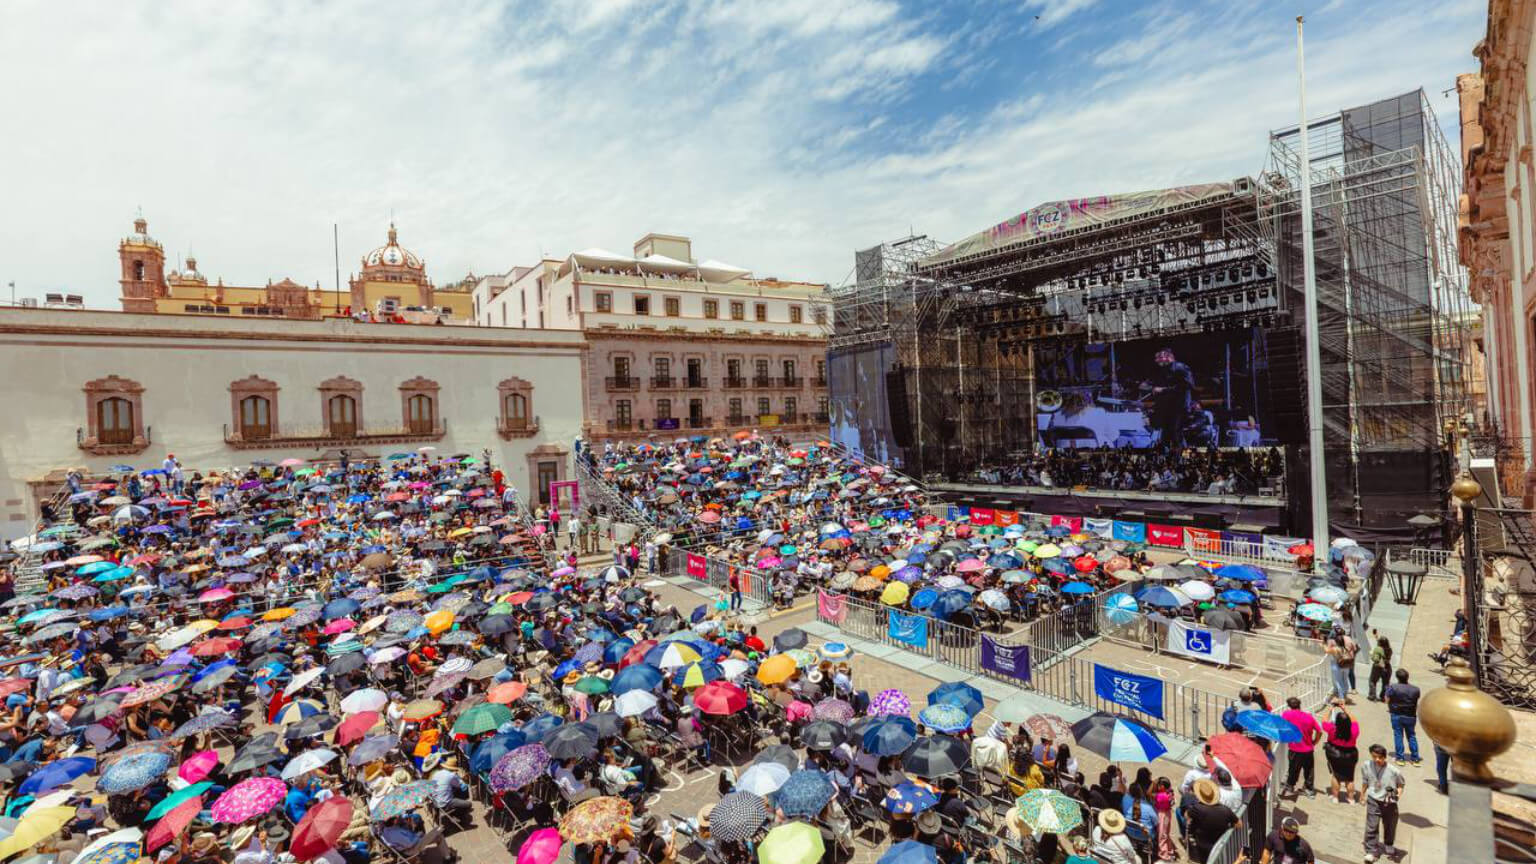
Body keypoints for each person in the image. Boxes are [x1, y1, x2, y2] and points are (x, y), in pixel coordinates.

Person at [1360, 744, 1404, 863]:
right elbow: (1365, 781)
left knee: (1390, 825)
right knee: (1371, 826)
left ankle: (1388, 844)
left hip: (1389, 802)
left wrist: (1398, 796)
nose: (1377, 760)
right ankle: (1371, 851)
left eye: (1380, 757)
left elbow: (1401, 785)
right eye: (1374, 757)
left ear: (1385, 757)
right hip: (1373, 799)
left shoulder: (1394, 771)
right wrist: (1362, 795)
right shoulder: (1366, 765)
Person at [1146, 348, 1196, 450]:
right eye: (1157, 358)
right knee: (1166, 434)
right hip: (1167, 408)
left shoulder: (1181, 368)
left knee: (1175, 432)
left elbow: (1188, 386)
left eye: (1160, 357)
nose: (1157, 360)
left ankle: (1182, 455)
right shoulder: (1163, 370)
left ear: (1169, 357)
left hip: (1179, 407)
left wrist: (1163, 390)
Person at [1185, 778, 1239, 864]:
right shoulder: (1225, 810)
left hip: (1203, 845)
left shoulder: (1197, 808)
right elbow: (1239, 824)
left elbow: (1186, 815)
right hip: (1220, 845)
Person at [1319, 699, 1361, 804]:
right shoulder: (1354, 730)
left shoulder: (1332, 729)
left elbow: (1324, 720)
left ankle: (1335, 797)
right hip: (1350, 754)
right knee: (1349, 778)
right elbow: (1354, 720)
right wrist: (1344, 709)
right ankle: (1351, 799)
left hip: (1335, 754)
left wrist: (1331, 708)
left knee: (1336, 776)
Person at [1280, 696, 1323, 797]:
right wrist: (1315, 742)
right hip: (1308, 749)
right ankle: (1309, 789)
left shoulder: (1287, 714)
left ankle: (1290, 786)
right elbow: (1319, 731)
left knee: (1293, 769)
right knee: (1309, 770)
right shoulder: (1309, 717)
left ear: (1289, 706)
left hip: (1295, 748)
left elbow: (1281, 727)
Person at [1382, 668, 1422, 765]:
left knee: (1398, 735)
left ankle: (1400, 758)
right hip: (1411, 716)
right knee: (1411, 736)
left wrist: (1391, 704)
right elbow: (1415, 702)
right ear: (1407, 677)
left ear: (1397, 677)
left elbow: (1386, 700)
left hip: (1397, 714)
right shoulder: (1416, 689)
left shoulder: (1393, 687)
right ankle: (1415, 758)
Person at [1367, 633, 1393, 702]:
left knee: (1372, 681)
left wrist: (1371, 655)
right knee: (1386, 683)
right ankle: (1383, 696)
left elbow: (1375, 659)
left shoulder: (1378, 649)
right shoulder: (1389, 650)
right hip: (1387, 667)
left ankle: (1372, 696)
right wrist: (1377, 637)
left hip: (1378, 667)